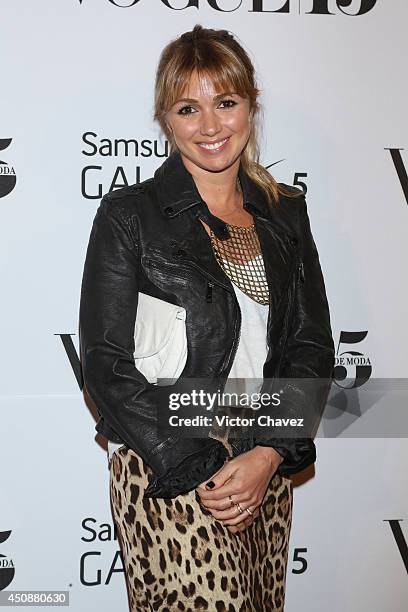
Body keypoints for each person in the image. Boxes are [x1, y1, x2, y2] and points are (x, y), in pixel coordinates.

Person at [79, 24, 335, 612]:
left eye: (226, 102)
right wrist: (206, 464)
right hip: (170, 465)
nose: (211, 126)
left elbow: (310, 346)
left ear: (250, 105)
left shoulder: (285, 213)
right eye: (188, 108)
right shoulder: (131, 216)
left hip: (262, 462)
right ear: (166, 119)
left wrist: (269, 454)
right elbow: (106, 365)